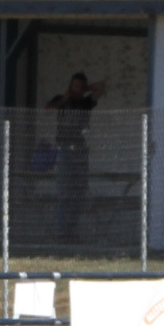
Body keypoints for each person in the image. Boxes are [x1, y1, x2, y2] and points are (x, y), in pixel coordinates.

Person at [47, 72, 106, 243]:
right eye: (75, 86)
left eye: (80, 87)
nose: (77, 89)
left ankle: (72, 231)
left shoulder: (86, 102)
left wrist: (87, 89)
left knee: (79, 192)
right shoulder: (62, 99)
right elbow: (48, 108)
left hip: (79, 149)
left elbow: (101, 90)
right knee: (65, 192)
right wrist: (66, 97)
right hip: (64, 148)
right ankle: (61, 232)